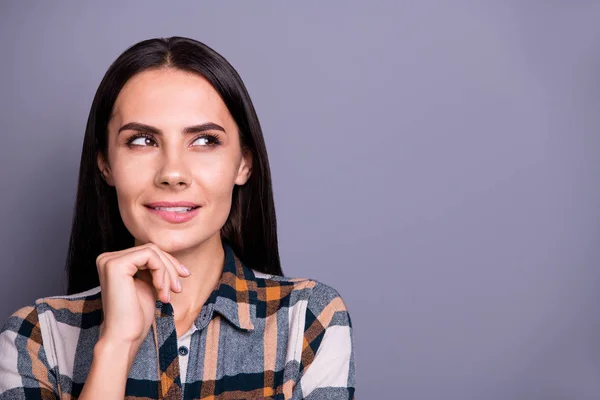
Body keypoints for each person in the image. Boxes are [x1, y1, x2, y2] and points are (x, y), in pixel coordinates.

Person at [0, 36, 355, 399]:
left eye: (204, 141)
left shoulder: (308, 320)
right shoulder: (37, 336)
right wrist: (116, 346)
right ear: (105, 164)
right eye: (142, 140)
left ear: (243, 163)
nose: (173, 173)